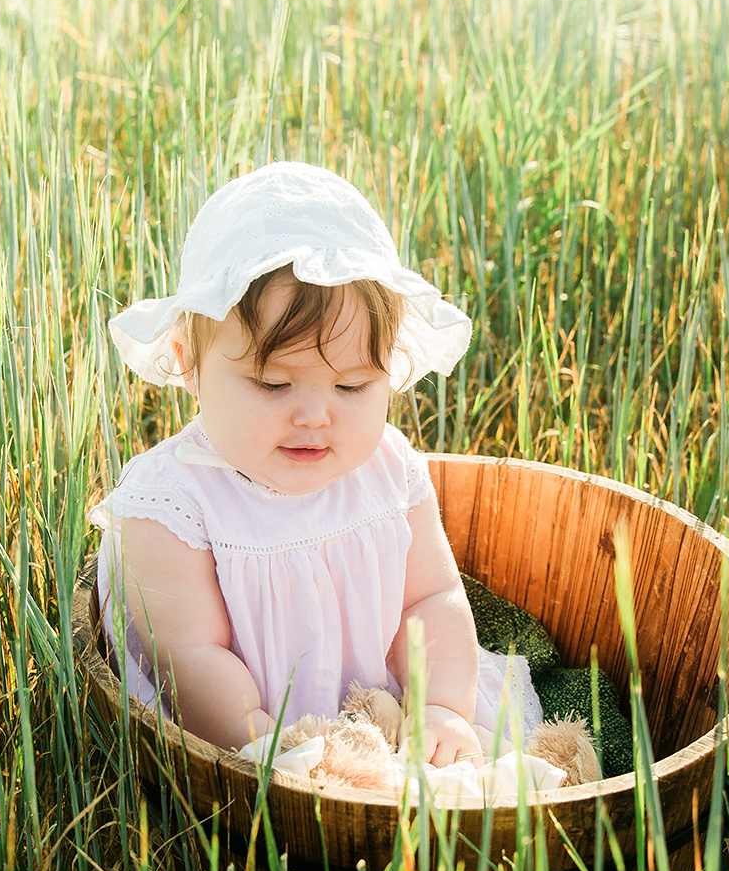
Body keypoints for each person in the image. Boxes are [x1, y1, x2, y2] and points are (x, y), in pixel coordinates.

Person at [90, 161, 542, 767]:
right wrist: (273, 754)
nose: (314, 416)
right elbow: (192, 656)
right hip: (245, 739)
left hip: (384, 711)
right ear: (187, 362)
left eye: (353, 386)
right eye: (273, 384)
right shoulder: (174, 502)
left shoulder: (387, 468)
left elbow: (430, 599)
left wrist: (438, 707)